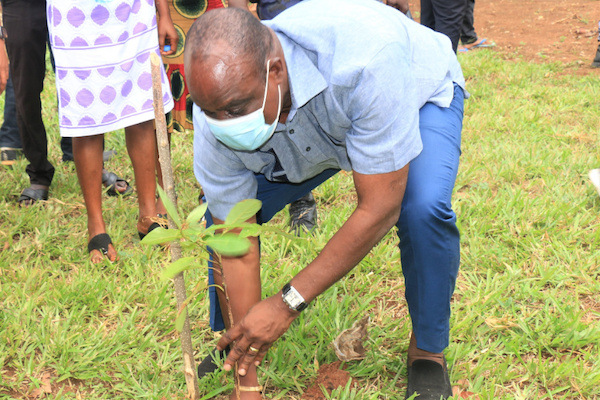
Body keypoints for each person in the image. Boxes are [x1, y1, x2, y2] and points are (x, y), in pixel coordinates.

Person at [184, 1, 466, 399]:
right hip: (302, 129)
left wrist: (284, 305)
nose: (225, 125)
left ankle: (427, 351)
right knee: (222, 220)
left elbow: (380, 206)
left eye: (234, 109)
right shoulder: (218, 117)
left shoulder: (366, 62)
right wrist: (247, 385)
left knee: (422, 208)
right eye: (212, 112)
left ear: (276, 72)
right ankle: (240, 342)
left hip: (415, 94)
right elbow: (237, 241)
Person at [46, 0, 177, 262]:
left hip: (132, 11)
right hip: (74, 16)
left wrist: (164, 13)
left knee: (140, 110)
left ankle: (148, 214)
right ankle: (96, 226)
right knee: (86, 119)